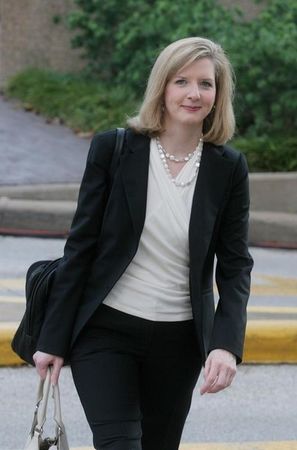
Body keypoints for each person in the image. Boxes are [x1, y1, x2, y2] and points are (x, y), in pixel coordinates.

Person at [33, 36, 254, 450]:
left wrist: (226, 344)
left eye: (205, 84)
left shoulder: (228, 169)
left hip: (180, 341)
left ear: (218, 94)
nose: (193, 93)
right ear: (162, 87)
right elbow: (80, 249)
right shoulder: (113, 150)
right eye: (181, 81)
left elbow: (236, 265)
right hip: (105, 330)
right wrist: (52, 339)